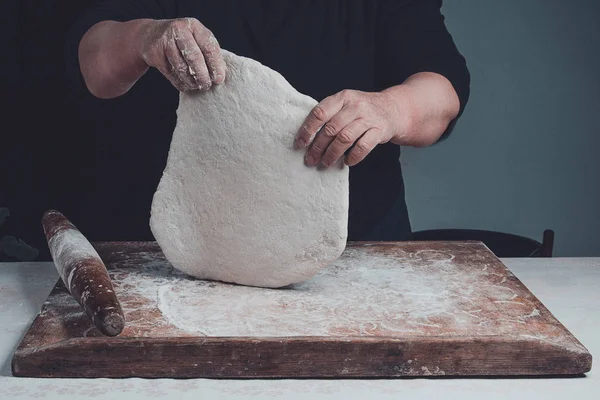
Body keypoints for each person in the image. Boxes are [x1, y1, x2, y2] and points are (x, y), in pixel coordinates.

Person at [65, 0, 469, 246]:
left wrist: (390, 109)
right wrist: (145, 36)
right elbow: (95, 65)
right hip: (179, 243)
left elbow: (443, 88)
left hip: (356, 243)